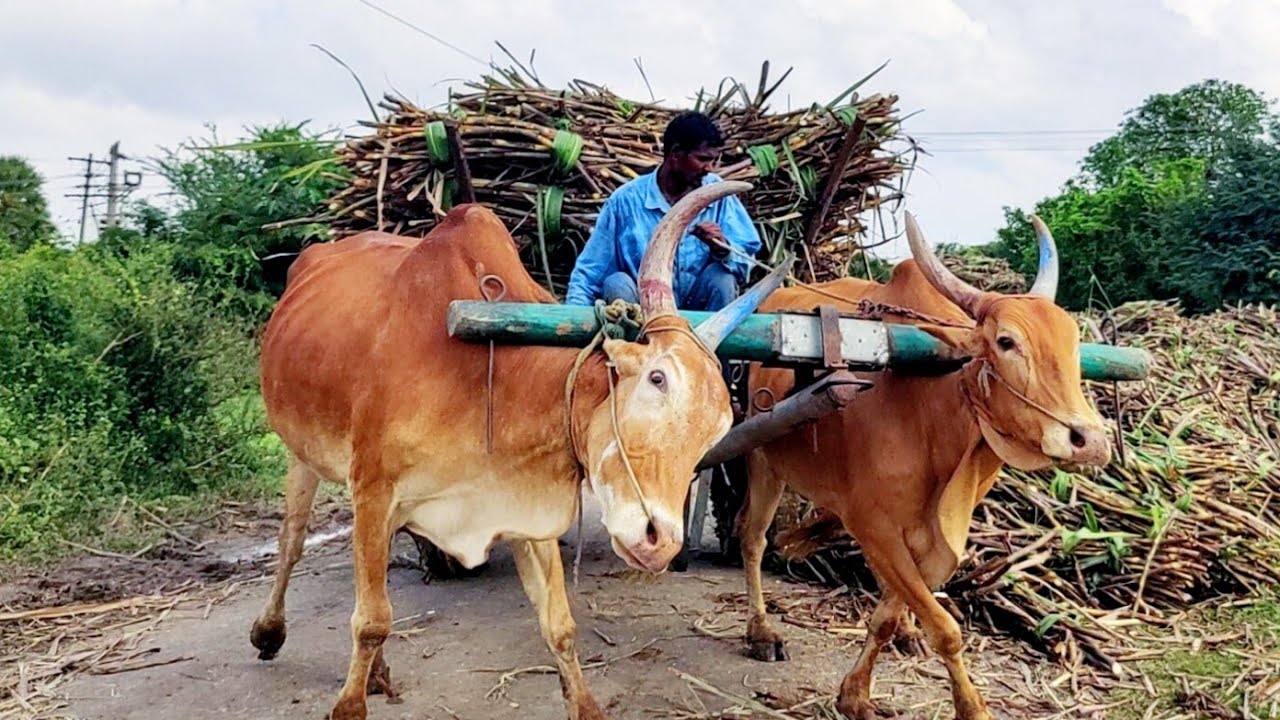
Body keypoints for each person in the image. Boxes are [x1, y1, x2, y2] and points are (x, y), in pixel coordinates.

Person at [565, 111, 762, 314]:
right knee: (617, 283)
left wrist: (722, 248)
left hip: (701, 317)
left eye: (713, 161)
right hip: (644, 314)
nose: (709, 169)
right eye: (702, 159)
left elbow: (748, 258)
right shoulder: (625, 201)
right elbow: (590, 272)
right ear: (675, 154)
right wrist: (571, 320)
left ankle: (715, 336)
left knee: (723, 279)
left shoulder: (718, 195)